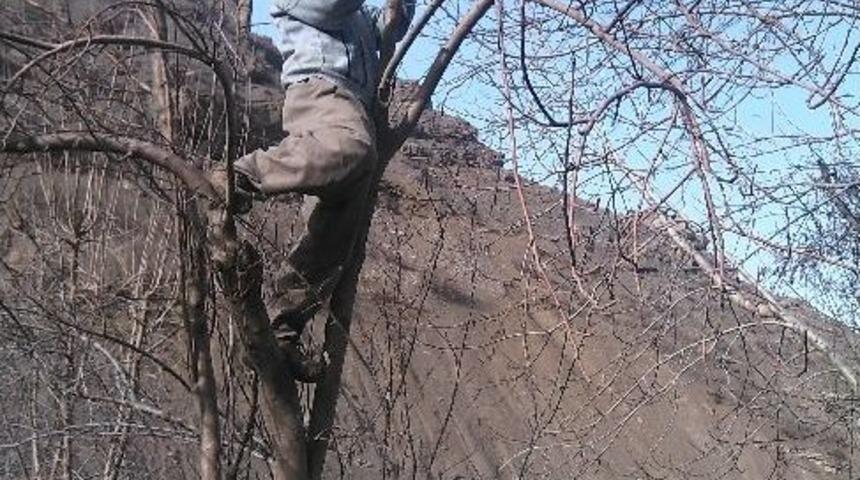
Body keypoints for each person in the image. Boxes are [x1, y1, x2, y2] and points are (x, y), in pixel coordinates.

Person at [227, 0, 416, 373]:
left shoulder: (359, 14)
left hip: (355, 107)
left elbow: (386, 28)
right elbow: (330, 8)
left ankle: (279, 329)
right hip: (323, 93)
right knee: (352, 149)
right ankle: (242, 176)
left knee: (332, 236)